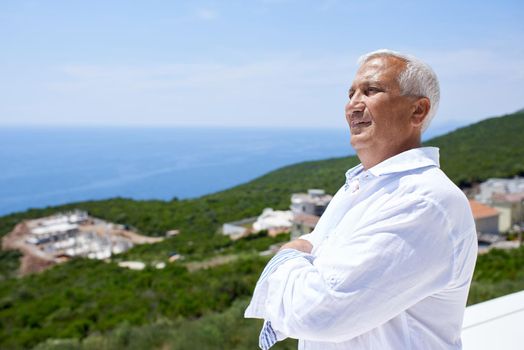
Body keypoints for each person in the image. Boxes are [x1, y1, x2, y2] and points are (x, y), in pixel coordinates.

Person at [244, 49, 478, 349]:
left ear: (417, 111)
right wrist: (304, 263)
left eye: (371, 91)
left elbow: (318, 313)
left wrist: (287, 254)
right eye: (351, 93)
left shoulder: (424, 201)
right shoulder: (358, 187)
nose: (353, 105)